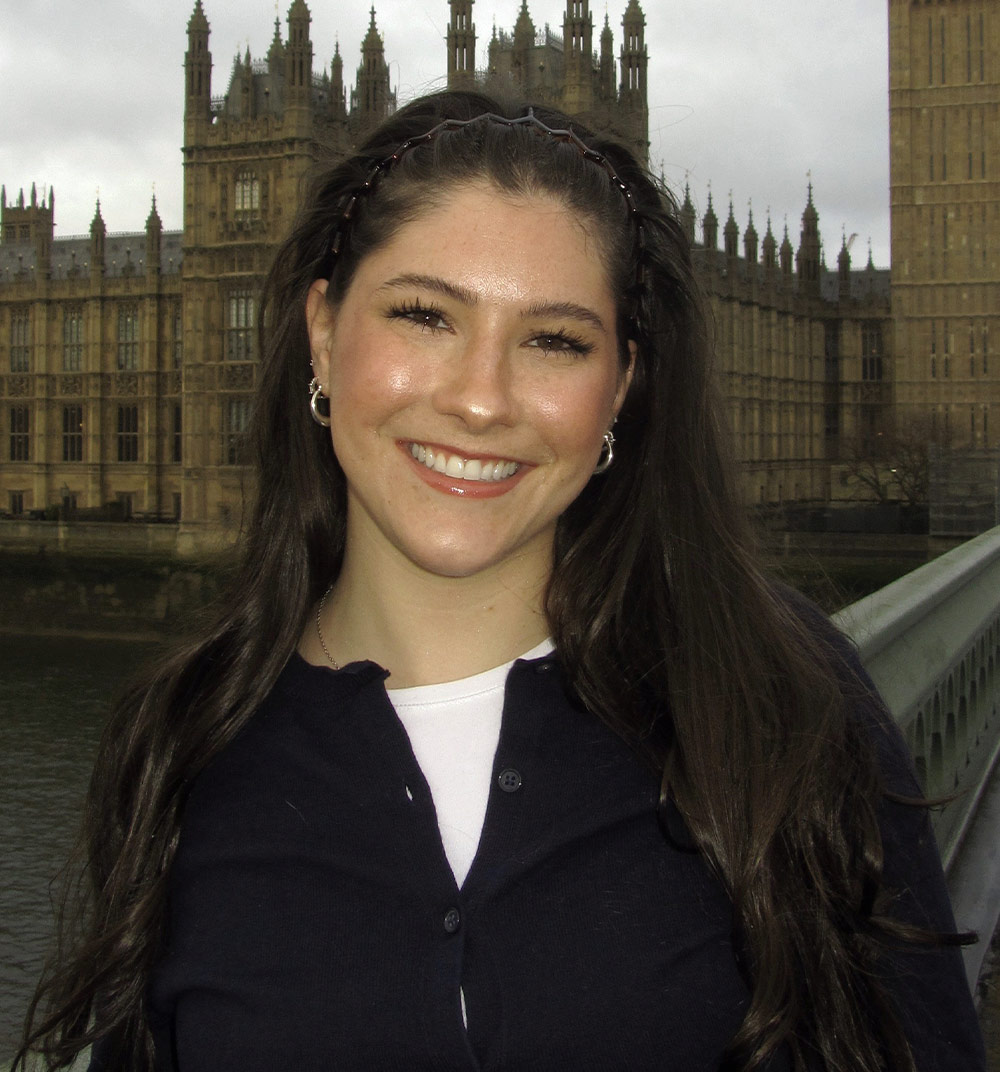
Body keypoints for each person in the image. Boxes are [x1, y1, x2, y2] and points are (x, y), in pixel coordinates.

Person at [16, 90, 985, 1072]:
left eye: (553, 339)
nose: (480, 399)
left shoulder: (776, 699)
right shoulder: (185, 741)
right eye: (424, 315)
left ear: (623, 382)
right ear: (321, 327)